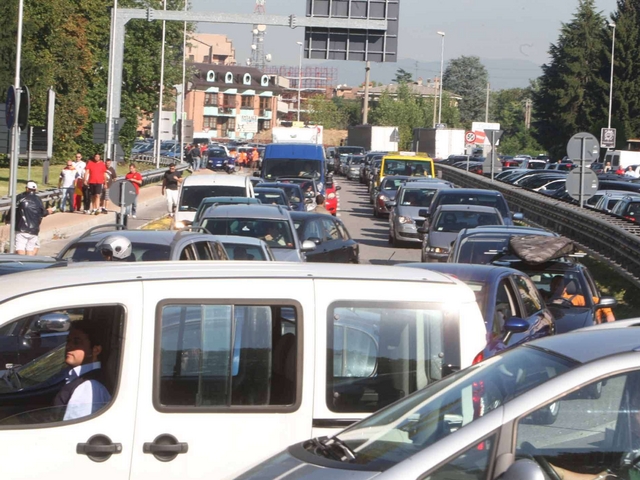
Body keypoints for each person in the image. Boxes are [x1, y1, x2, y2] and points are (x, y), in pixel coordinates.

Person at [53, 321, 111, 421]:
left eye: (76, 342)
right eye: (68, 341)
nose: (69, 346)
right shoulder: (76, 377)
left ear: (96, 350)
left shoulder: (88, 386)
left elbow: (73, 429)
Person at [10, 181, 54, 255]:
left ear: (27, 188)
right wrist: (48, 211)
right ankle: (29, 263)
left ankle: (22, 263)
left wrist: (8, 219)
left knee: (20, 248)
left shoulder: (20, 197)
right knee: (30, 249)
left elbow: (13, 209)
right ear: (35, 190)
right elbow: (43, 213)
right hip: (34, 229)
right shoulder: (38, 200)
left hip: (21, 228)